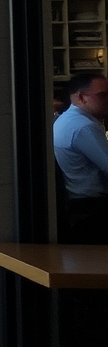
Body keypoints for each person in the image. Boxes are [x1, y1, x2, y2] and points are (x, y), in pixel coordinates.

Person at [53, 73, 108, 242]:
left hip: (77, 205)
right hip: (93, 209)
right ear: (81, 97)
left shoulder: (65, 120)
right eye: (103, 95)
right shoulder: (84, 127)